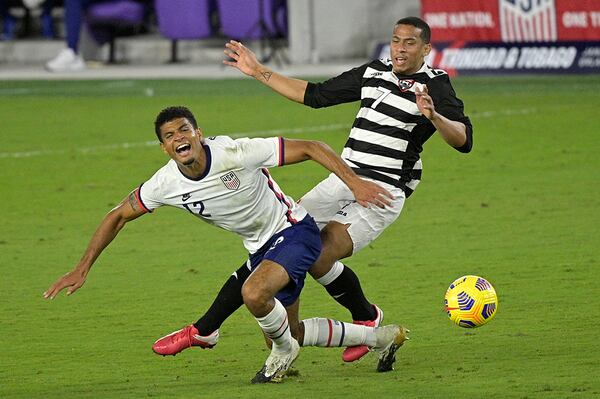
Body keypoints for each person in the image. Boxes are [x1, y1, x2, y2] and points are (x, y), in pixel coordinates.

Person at [154, 16, 472, 367]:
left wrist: (434, 117)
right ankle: (258, 333)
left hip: (383, 188)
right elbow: (316, 95)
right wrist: (258, 71)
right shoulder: (375, 72)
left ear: (426, 48)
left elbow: (463, 140)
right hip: (344, 176)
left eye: (409, 42)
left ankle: (365, 317)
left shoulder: (435, 86)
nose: (399, 48)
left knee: (318, 254)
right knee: (286, 239)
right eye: (395, 40)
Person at [44, 106, 408, 383]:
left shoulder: (235, 152)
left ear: (198, 133)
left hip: (295, 230)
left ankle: (248, 345)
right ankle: (380, 336)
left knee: (253, 294)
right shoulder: (164, 184)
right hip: (260, 248)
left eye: (184, 129)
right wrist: (83, 266)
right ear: (164, 148)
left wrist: (356, 184)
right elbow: (117, 215)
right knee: (286, 330)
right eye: (170, 135)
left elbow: (312, 147)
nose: (179, 137)